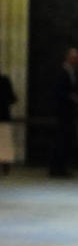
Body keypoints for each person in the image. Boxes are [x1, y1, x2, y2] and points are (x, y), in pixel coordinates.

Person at [51, 47, 78, 177]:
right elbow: (58, 91)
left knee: (67, 140)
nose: (76, 60)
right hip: (63, 111)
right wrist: (71, 97)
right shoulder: (62, 72)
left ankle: (62, 167)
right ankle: (57, 168)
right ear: (68, 58)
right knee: (61, 140)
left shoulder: (72, 71)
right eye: (74, 57)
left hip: (70, 112)